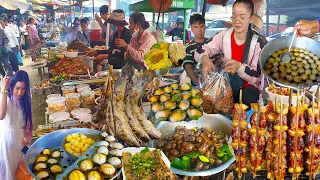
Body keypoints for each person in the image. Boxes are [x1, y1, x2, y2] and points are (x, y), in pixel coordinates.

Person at [195, 0, 267, 106]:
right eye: (234, 16)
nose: (237, 21)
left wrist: (239, 67)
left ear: (251, 18)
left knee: (249, 98)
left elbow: (256, 75)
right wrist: (204, 59)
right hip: (226, 84)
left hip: (248, 87)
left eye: (242, 17)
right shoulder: (223, 36)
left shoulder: (258, 43)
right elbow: (200, 49)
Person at [0, 71, 33, 179]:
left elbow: (22, 124)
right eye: (17, 88)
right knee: (8, 172)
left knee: (17, 171)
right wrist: (4, 89)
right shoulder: (7, 99)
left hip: (17, 143)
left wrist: (25, 138)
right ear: (12, 86)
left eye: (23, 89)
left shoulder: (22, 102)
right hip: (6, 144)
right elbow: (1, 115)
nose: (20, 92)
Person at [183, 14, 210, 87]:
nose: (199, 30)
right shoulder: (189, 47)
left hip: (213, 82)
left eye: (201, 26)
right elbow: (188, 68)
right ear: (191, 29)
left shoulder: (212, 43)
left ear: (205, 26)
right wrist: (199, 84)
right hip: (197, 85)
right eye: (195, 27)